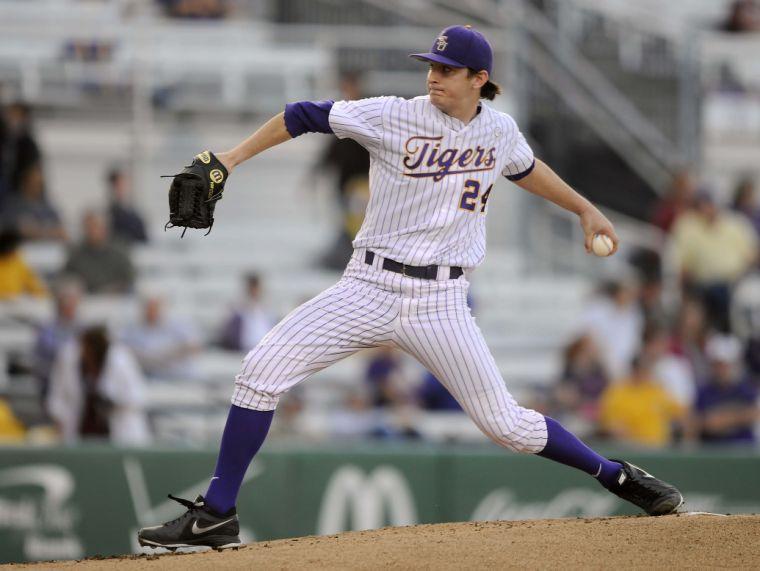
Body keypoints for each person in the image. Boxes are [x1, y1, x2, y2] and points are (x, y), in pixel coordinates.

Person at [138, 25, 684, 551]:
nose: (434, 76)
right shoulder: (393, 115)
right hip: (368, 285)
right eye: (431, 66)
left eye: (447, 69)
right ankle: (217, 514)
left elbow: (523, 167)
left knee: (507, 425)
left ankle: (615, 476)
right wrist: (230, 160)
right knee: (258, 374)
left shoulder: (499, 130)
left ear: (479, 78)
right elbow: (301, 114)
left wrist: (585, 208)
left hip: (442, 302)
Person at [46, 325, 151, 446]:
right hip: (80, 429)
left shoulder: (120, 360)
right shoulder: (69, 358)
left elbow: (138, 397)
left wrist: (113, 402)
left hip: (117, 430)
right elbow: (56, 396)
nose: (85, 351)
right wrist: (60, 418)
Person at [598, 353, 688, 448]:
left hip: (659, 448)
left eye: (647, 370)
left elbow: (680, 412)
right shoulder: (617, 392)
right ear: (634, 370)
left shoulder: (656, 389)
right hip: (630, 449)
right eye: (642, 370)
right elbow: (610, 424)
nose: (645, 374)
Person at [121, 294, 202, 381]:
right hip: (148, 377)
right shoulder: (132, 330)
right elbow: (122, 350)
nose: (151, 311)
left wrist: (167, 354)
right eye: (148, 307)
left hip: (179, 376)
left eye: (155, 307)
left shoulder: (180, 325)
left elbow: (195, 348)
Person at [695, 335, 758, 445]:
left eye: (724, 365)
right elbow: (698, 421)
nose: (721, 369)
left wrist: (726, 419)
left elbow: (755, 413)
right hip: (713, 452)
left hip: (743, 449)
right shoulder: (703, 391)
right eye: (717, 364)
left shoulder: (745, 388)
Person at [61, 209, 135, 294]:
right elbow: (66, 278)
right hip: (85, 300)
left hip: (115, 300)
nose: (91, 231)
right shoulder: (76, 253)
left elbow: (129, 279)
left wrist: (113, 290)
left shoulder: (119, 252)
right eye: (87, 227)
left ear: (105, 228)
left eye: (95, 226)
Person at [218, 273, 275, 352]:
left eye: (256, 288)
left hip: (264, 348)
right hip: (245, 348)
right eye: (252, 287)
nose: (254, 291)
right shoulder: (237, 308)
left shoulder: (266, 308)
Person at [0, 226, 47, 300]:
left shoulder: (17, 260)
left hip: (14, 301)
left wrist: (40, 293)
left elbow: (31, 281)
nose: (10, 250)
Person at [107, 166, 149, 246]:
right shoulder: (109, 212)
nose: (123, 188)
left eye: (124, 184)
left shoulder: (131, 209)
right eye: (119, 184)